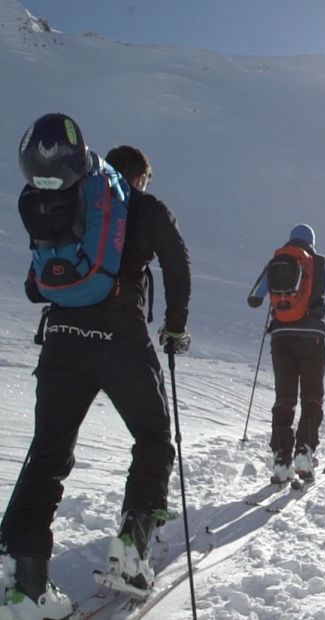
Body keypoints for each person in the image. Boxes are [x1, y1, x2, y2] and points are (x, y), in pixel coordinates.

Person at [1, 117, 191, 618]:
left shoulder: (68, 204)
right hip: (120, 336)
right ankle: (132, 548)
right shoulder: (144, 206)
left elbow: (33, 288)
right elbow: (178, 266)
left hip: (62, 336)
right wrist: (174, 328)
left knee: (48, 451)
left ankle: (27, 586)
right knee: (152, 436)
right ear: (140, 177)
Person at [247, 224, 325, 485]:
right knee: (312, 397)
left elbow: (253, 298)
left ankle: (281, 459)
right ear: (312, 243)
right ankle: (304, 451)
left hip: (281, 339)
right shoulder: (321, 263)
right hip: (312, 339)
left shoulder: (277, 261)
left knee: (284, 398)